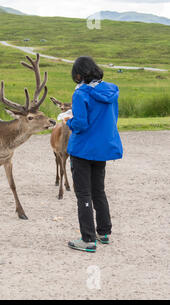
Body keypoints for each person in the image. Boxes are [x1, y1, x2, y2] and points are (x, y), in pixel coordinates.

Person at [63, 56, 123, 253]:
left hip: (82, 149)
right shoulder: (111, 90)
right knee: (99, 191)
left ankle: (88, 239)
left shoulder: (80, 94)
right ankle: (104, 232)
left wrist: (68, 121)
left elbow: (81, 124)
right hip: (102, 149)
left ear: (79, 74)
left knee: (83, 194)